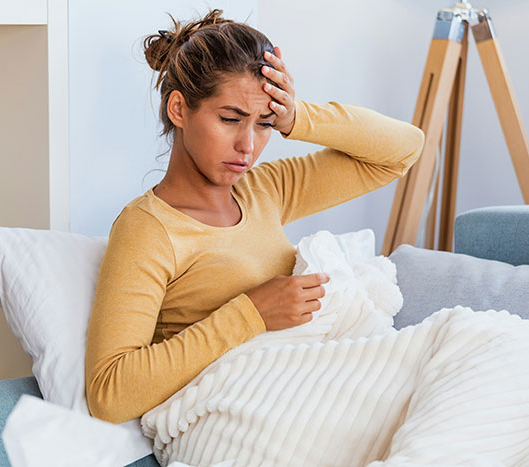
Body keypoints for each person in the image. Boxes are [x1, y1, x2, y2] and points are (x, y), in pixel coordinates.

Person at [84, 8, 425, 425]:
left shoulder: (266, 190)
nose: (248, 145)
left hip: (324, 387)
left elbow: (403, 150)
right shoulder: (148, 229)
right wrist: (250, 313)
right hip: (259, 417)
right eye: (230, 119)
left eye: (264, 123)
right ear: (178, 109)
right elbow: (109, 392)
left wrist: (298, 116)